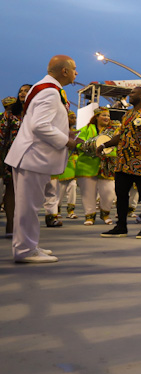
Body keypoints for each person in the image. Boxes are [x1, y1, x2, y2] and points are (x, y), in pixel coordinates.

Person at [5, 55, 79, 263]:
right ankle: (25, 250)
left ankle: (28, 245)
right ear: (64, 71)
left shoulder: (46, 88)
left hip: (31, 156)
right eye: (74, 69)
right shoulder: (49, 91)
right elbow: (40, 126)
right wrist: (67, 141)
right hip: (33, 156)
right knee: (28, 206)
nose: (76, 73)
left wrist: (67, 135)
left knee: (28, 205)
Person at [99, 86, 141, 239]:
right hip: (122, 162)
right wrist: (105, 145)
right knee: (121, 195)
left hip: (140, 162)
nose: (130, 95)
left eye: (133, 93)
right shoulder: (127, 115)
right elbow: (120, 136)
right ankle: (121, 227)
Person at [75, 108, 117, 226]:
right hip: (87, 164)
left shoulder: (113, 131)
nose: (106, 118)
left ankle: (105, 214)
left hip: (107, 165)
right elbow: (78, 143)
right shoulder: (86, 129)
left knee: (109, 192)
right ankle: (89, 216)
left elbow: (118, 145)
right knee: (88, 193)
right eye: (103, 115)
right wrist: (88, 147)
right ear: (97, 117)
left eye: (108, 116)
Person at [0, 84, 32, 237]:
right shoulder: (11, 113)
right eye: (20, 90)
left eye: (26, 90)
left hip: (33, 156)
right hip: (13, 156)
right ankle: (11, 224)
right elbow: (2, 136)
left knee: (29, 192)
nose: (22, 93)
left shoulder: (37, 112)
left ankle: (25, 226)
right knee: (11, 189)